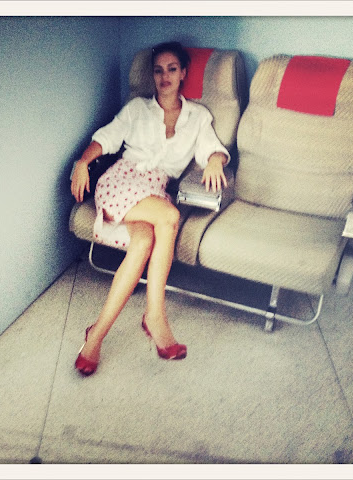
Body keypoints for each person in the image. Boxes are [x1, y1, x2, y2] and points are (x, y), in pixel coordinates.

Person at [70, 41, 230, 376]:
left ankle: (95, 335)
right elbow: (106, 137)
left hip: (153, 190)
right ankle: (155, 317)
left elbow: (211, 149)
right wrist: (83, 162)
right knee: (170, 217)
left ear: (183, 73)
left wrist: (215, 161)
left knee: (143, 243)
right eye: (158, 70)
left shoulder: (198, 116)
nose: (164, 76)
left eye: (172, 69)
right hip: (120, 181)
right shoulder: (136, 109)